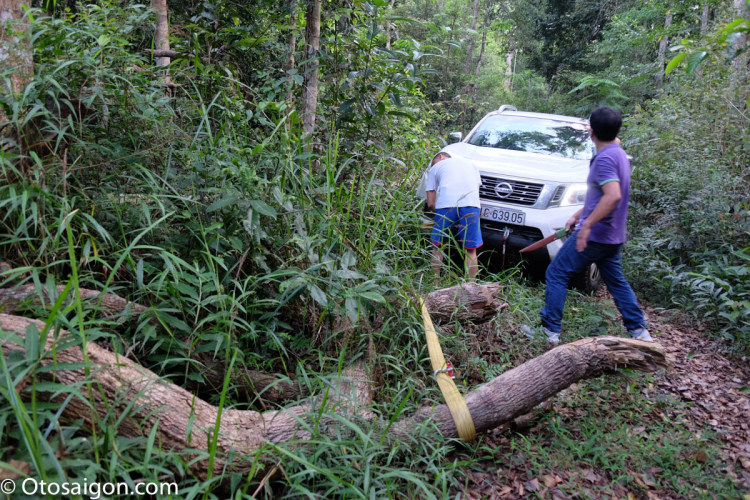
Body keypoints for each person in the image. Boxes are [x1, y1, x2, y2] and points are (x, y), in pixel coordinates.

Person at [521, 106, 652, 343]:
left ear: (591, 131)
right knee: (616, 281)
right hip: (613, 234)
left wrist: (588, 224)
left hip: (597, 234)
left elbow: (612, 195)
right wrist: (579, 215)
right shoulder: (619, 153)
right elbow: (599, 195)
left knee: (557, 272)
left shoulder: (604, 159)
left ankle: (549, 331)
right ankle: (639, 332)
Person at [425, 152, 483, 278]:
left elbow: (430, 203)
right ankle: (471, 287)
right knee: (471, 251)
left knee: (438, 248)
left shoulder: (435, 168)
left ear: (440, 157)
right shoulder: (472, 164)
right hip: (471, 205)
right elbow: (476, 187)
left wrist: (438, 212)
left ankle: (434, 284)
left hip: (446, 206)